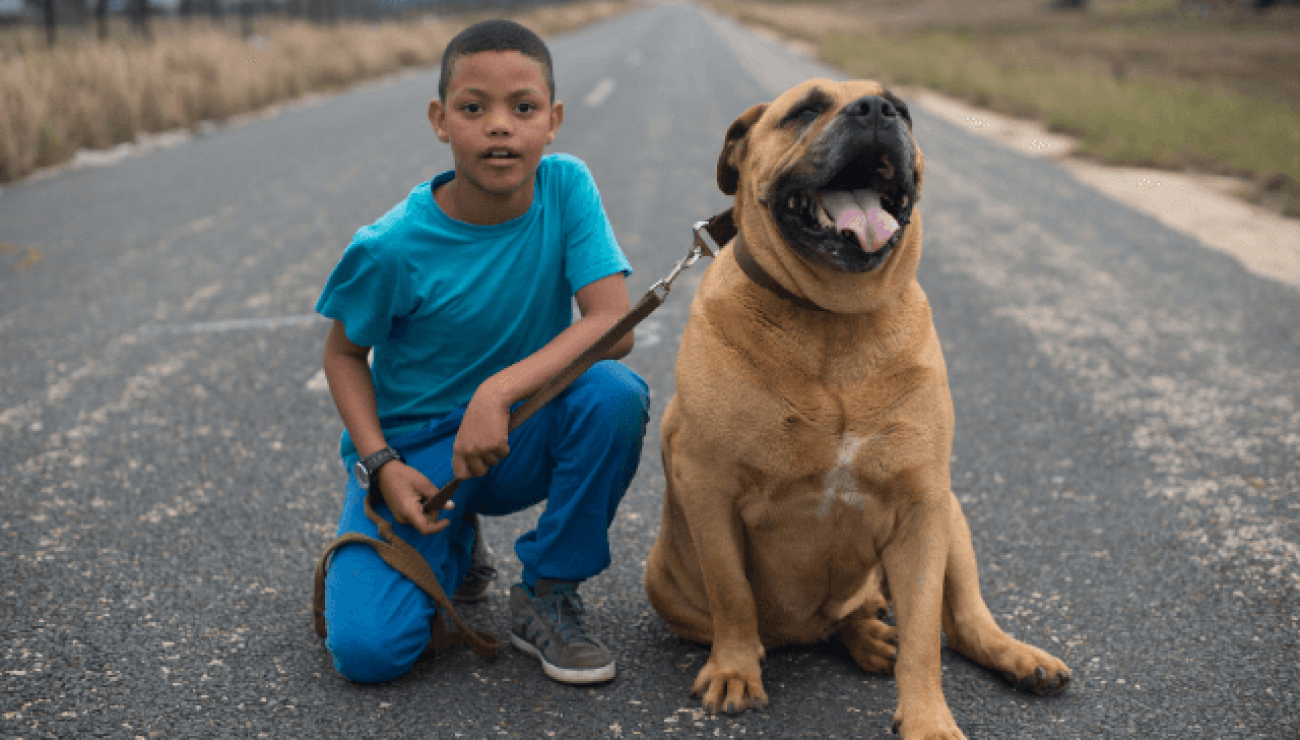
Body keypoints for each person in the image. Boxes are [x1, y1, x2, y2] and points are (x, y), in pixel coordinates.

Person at [315, 18, 649, 686]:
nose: (501, 126)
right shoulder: (390, 248)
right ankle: (453, 541)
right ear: (441, 120)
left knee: (615, 394)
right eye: (475, 108)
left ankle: (548, 590)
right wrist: (381, 464)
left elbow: (615, 322)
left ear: (551, 121)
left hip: (515, 430)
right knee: (369, 653)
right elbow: (344, 355)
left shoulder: (566, 187)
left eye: (522, 108)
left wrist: (495, 393)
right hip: (418, 461)